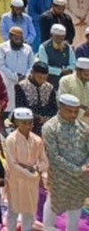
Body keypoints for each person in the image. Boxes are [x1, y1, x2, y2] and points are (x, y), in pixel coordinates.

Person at [41, 93, 89, 231]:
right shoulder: (50, 127)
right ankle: (47, 227)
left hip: (81, 176)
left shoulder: (83, 127)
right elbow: (54, 156)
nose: (73, 114)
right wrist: (76, 169)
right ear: (60, 107)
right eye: (70, 111)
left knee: (76, 205)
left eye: (76, 111)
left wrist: (86, 165)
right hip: (60, 176)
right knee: (54, 202)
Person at [2, 108, 47, 231]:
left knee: (29, 211)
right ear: (17, 123)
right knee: (13, 210)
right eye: (25, 123)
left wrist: (36, 169)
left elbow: (44, 161)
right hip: (15, 180)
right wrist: (29, 172)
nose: (29, 126)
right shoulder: (11, 139)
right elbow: (12, 164)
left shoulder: (37, 140)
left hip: (32, 181)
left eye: (30, 122)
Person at [15, 61, 58, 133]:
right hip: (27, 123)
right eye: (39, 77)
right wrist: (37, 118)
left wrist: (47, 118)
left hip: (46, 124)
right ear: (32, 73)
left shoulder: (49, 87)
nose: (42, 80)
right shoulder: (21, 86)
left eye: (45, 78)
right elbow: (20, 106)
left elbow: (53, 107)